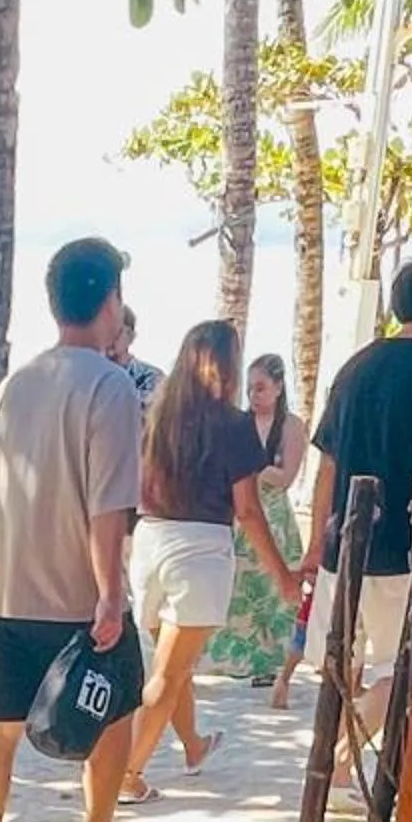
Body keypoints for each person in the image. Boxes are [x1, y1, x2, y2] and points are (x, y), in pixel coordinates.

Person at [0, 237, 153, 822]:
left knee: (0, 730)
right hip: (77, 592)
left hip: (8, 588)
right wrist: (109, 595)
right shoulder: (111, 384)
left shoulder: (18, 384)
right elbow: (110, 504)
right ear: (110, 300)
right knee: (120, 706)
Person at [123, 320, 298, 796]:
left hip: (149, 541)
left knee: (171, 664)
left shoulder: (158, 414)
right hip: (198, 549)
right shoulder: (234, 423)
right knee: (170, 671)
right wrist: (281, 573)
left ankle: (194, 745)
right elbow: (248, 508)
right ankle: (126, 774)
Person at [299, 254, 412, 734]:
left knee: (342, 665)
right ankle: (342, 767)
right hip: (405, 547)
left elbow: (326, 466)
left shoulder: (354, 369)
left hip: (344, 541)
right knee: (405, 666)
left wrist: (316, 543)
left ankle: (332, 769)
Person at [208, 350, 309, 691]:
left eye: (261, 388)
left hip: (274, 514)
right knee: (237, 589)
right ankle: (235, 658)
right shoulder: (240, 423)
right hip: (242, 511)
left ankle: (273, 664)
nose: (254, 396)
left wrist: (250, 464)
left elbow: (287, 477)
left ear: (279, 387)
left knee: (274, 591)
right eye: (250, 389)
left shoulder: (292, 426)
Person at [114, 306, 161, 410]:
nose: (111, 337)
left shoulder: (151, 377)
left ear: (131, 336)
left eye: (117, 331)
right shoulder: (90, 376)